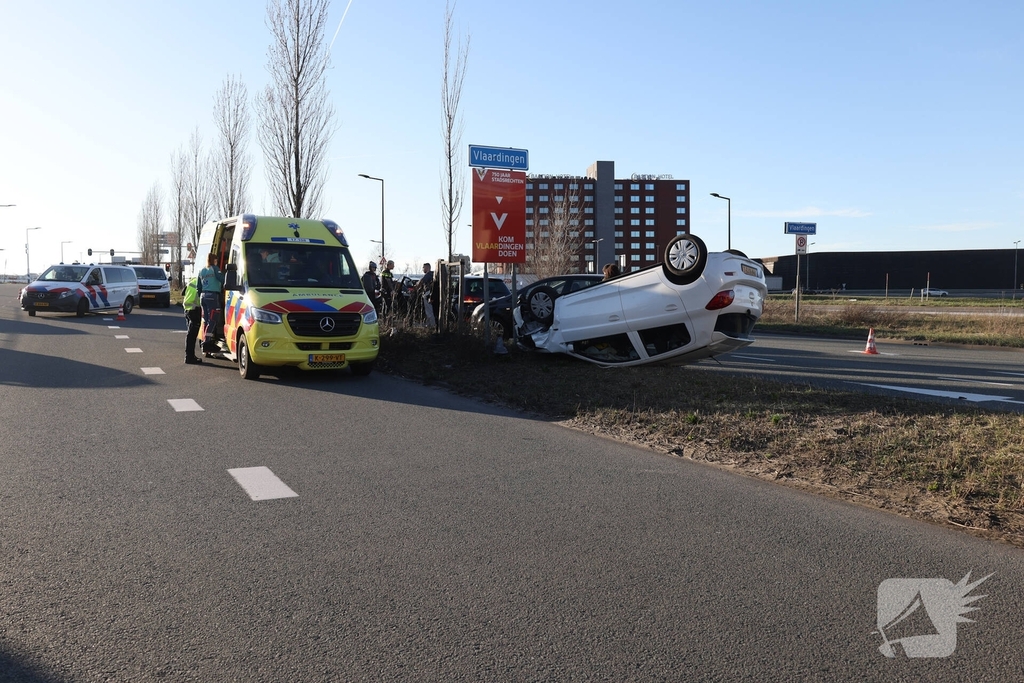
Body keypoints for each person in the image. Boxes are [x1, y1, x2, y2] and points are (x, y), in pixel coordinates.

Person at [198, 253, 224, 355]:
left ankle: (205, 341)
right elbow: (222, 279)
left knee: (206, 320)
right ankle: (207, 342)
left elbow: (198, 286)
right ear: (214, 260)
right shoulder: (215, 268)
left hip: (203, 296)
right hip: (213, 296)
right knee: (213, 320)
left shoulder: (202, 270)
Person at [182, 275, 202, 364]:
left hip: (187, 309)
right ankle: (189, 357)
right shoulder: (202, 282)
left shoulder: (193, 280)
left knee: (190, 334)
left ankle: (190, 356)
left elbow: (183, 292)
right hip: (194, 309)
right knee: (192, 335)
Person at [416, 262, 436, 328]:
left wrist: (416, 287)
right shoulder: (432, 274)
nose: (423, 269)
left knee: (429, 311)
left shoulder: (428, 274)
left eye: (423, 267)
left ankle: (432, 325)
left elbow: (421, 281)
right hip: (430, 293)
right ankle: (428, 324)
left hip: (427, 294)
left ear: (427, 267)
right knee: (429, 310)